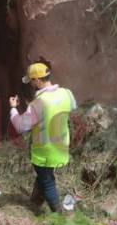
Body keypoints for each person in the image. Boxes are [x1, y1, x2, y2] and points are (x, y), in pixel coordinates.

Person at [9, 60, 77, 213]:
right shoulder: (66, 93)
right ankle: (35, 202)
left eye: (31, 81)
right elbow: (72, 107)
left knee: (47, 182)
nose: (31, 84)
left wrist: (13, 109)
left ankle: (58, 215)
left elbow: (20, 126)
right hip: (61, 145)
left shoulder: (38, 103)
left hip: (44, 150)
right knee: (44, 175)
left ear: (38, 80)